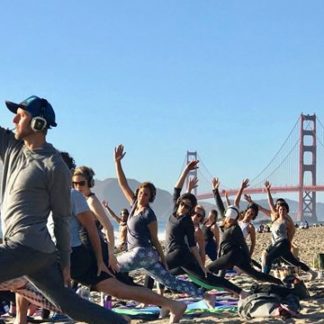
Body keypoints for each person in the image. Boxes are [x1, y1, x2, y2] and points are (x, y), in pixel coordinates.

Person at [0, 95, 127, 324]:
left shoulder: (54, 165)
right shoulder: (12, 147)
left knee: (68, 304)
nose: (14, 121)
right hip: (35, 252)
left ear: (38, 123)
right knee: (71, 305)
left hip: (28, 247)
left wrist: (66, 264)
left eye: (20, 116)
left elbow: (61, 218)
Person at [70, 161, 187, 323]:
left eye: (81, 183)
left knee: (122, 287)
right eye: (74, 183)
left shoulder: (90, 201)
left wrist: (110, 254)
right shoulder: (80, 200)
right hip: (90, 250)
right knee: (122, 287)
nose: (77, 187)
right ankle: (169, 305)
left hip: (98, 252)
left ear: (89, 183)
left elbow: (109, 228)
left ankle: (171, 304)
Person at [114, 145, 217, 305]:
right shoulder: (134, 204)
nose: (142, 196)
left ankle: (110, 296)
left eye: (146, 194)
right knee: (170, 282)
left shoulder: (149, 214)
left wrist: (163, 260)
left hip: (140, 252)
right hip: (146, 256)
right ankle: (207, 297)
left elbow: (155, 240)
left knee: (110, 266)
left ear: (150, 197)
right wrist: (117, 163)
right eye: (140, 192)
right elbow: (123, 184)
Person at [207, 177, 283, 286]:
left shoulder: (236, 228)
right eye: (227, 217)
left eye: (230, 218)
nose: (227, 219)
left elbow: (245, 244)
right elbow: (220, 206)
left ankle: (278, 281)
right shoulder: (227, 221)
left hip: (234, 255)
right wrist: (215, 191)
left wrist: (248, 258)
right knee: (254, 275)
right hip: (229, 254)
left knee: (210, 268)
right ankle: (278, 281)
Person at [261, 182, 316, 280]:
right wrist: (268, 191)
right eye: (280, 209)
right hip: (275, 243)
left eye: (283, 209)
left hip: (283, 243)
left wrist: (289, 242)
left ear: (286, 210)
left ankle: (264, 277)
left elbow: (293, 231)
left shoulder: (287, 220)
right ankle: (312, 272)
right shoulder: (275, 219)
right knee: (294, 262)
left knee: (269, 258)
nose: (281, 210)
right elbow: (271, 204)